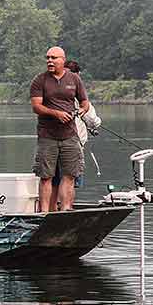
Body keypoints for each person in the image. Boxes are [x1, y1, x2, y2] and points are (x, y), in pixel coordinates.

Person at [30, 47, 90, 212]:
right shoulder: (40, 80)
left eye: (54, 58)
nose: (50, 61)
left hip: (70, 135)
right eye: (48, 58)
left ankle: (65, 210)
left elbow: (85, 102)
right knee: (46, 176)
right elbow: (36, 106)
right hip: (47, 136)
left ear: (63, 60)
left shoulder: (74, 79)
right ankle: (44, 212)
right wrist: (56, 113)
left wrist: (81, 110)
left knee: (69, 175)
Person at [48, 60, 102, 209]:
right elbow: (93, 121)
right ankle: (66, 210)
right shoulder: (78, 96)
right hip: (72, 144)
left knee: (52, 181)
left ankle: (50, 212)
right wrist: (95, 123)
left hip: (50, 142)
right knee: (69, 179)